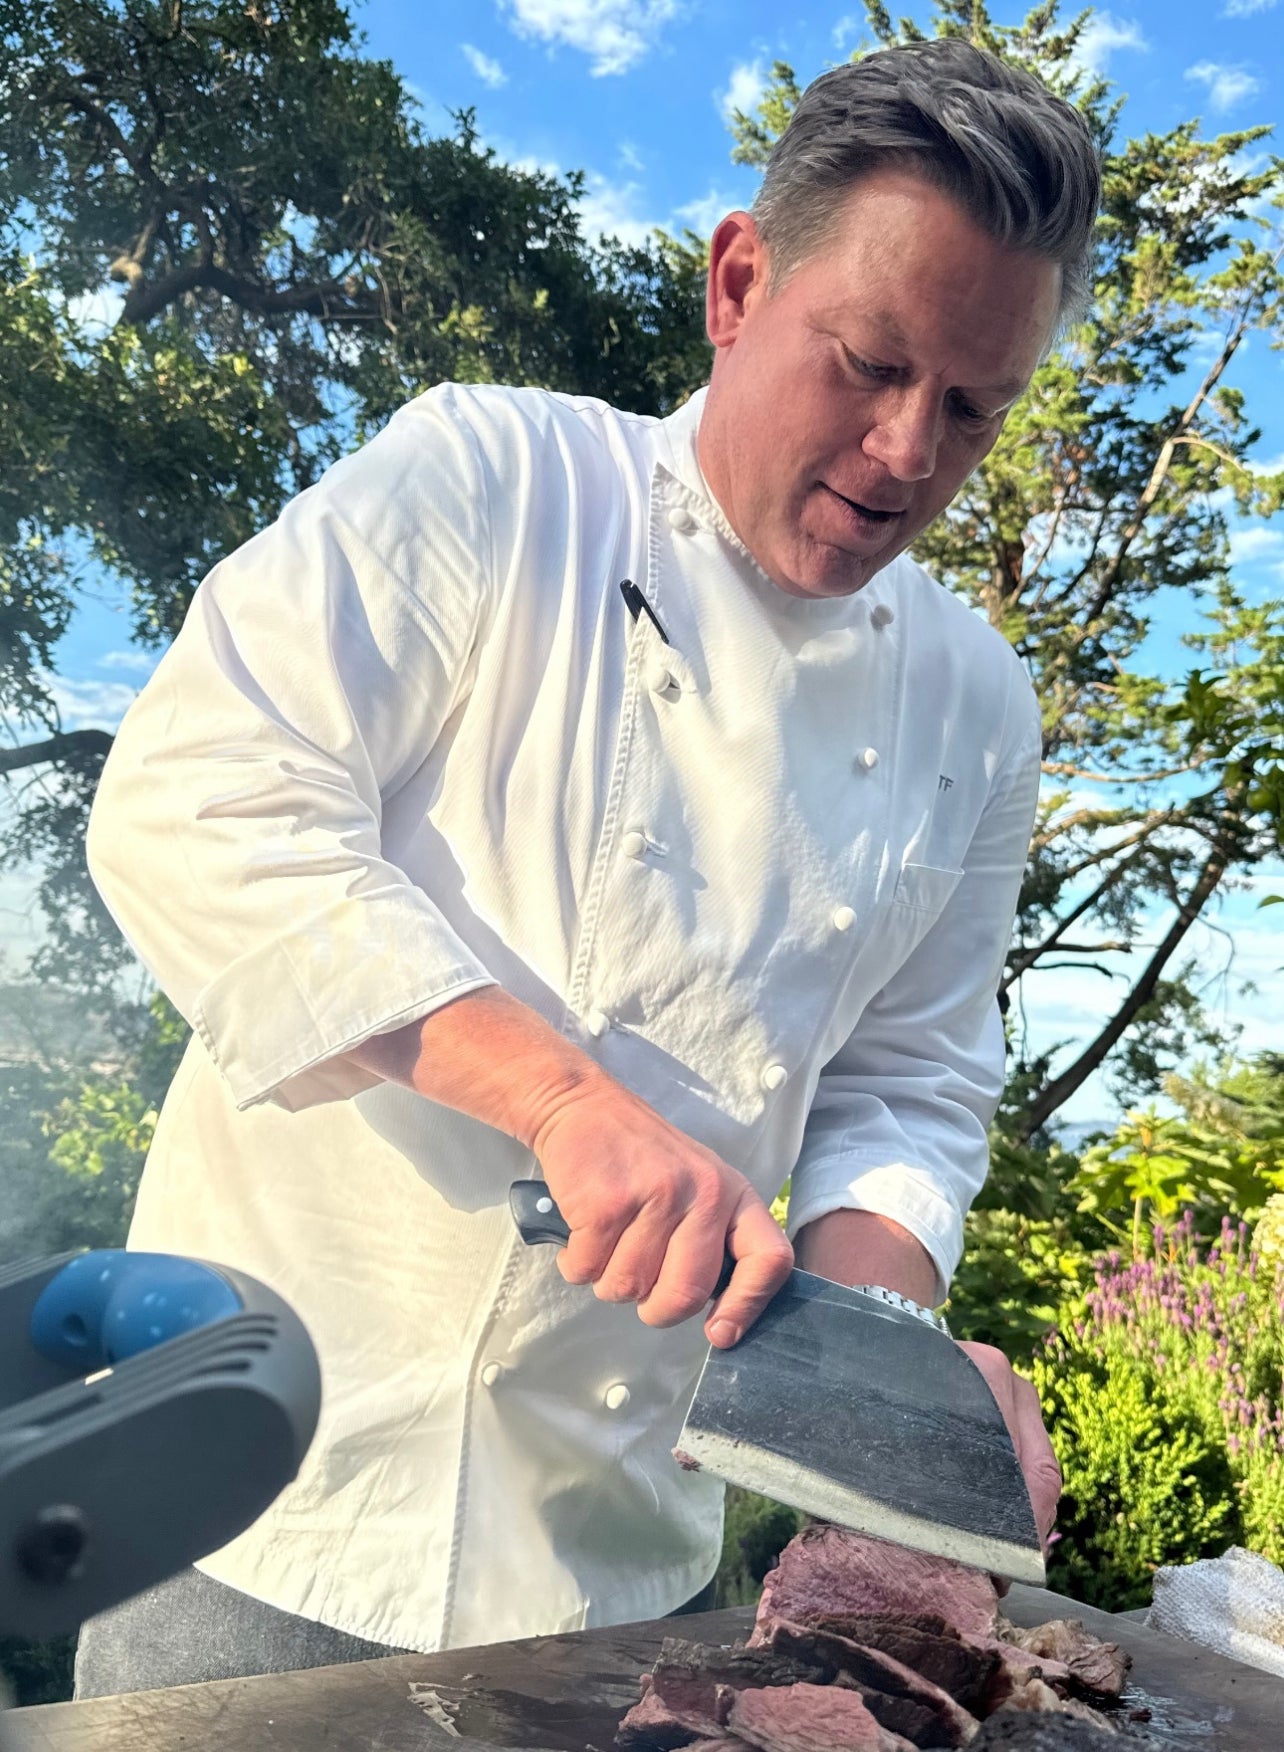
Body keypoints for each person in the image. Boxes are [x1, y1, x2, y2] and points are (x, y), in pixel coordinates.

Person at [75, 38, 1100, 1697]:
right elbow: (201, 795)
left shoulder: (978, 704)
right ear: (739, 278)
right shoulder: (497, 479)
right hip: (261, 1481)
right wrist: (564, 1104)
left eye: (974, 406)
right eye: (867, 360)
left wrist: (877, 1360)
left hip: (614, 1564)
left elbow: (910, 1083)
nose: (913, 453)